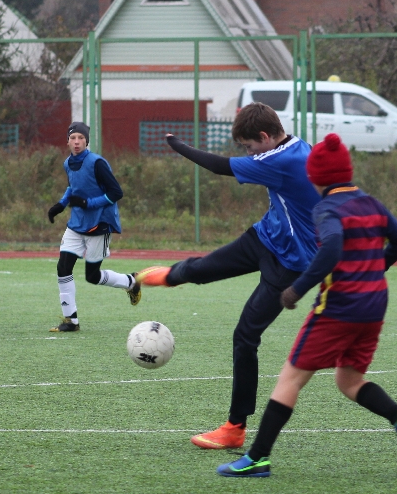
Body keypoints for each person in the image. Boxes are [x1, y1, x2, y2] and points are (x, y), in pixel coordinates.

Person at [217, 133, 397, 477]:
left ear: (315, 177)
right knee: (349, 380)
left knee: (290, 379)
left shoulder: (326, 209)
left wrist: (297, 289)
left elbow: (332, 247)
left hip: (340, 307)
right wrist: (375, 268)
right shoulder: (371, 203)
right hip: (374, 306)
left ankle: (257, 458)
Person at [134, 102, 320, 450]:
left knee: (245, 336)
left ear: (265, 136)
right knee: (204, 268)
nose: (248, 153)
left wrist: (178, 145)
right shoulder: (294, 145)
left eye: (249, 147)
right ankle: (171, 276)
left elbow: (220, 166)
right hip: (266, 237)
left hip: (290, 262)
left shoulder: (282, 160)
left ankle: (235, 427)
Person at [46, 121, 140, 332]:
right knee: (63, 267)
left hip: (99, 223)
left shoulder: (97, 163)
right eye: (73, 138)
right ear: (67, 141)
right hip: (77, 223)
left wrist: (88, 203)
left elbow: (116, 193)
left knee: (92, 276)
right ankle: (71, 321)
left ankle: (131, 282)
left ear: (87, 141)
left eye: (81, 138)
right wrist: (60, 205)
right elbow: (73, 187)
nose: (76, 142)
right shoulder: (68, 163)